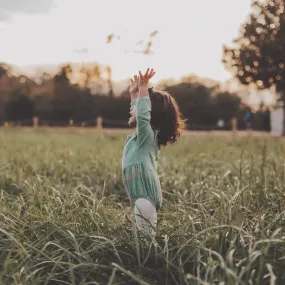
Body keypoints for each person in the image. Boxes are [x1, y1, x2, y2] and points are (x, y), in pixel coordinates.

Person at [122, 68, 185, 237]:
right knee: (142, 240)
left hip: (145, 200)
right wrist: (135, 94)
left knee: (145, 244)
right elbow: (139, 113)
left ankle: (150, 262)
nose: (132, 108)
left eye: (139, 104)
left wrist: (143, 88)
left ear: (150, 112)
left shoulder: (146, 137)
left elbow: (142, 116)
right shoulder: (144, 137)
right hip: (141, 198)